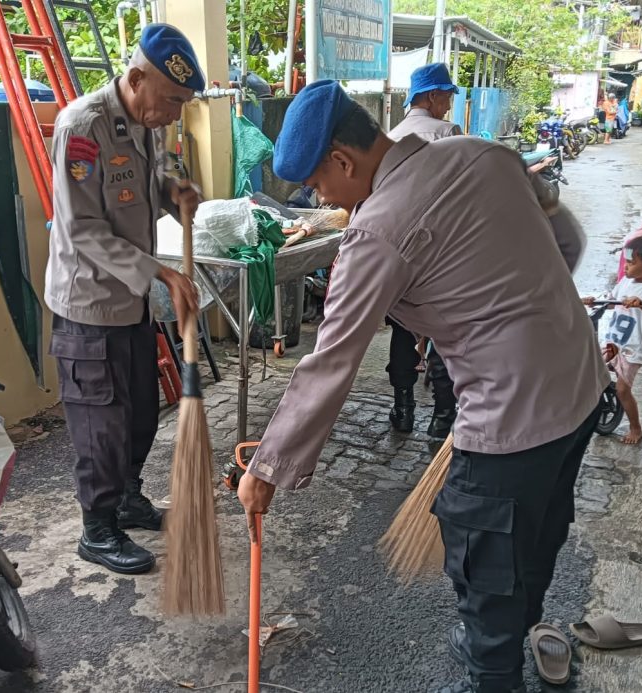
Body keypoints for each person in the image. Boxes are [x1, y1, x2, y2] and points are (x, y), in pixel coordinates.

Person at [237, 80, 607, 693]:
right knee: (538, 535)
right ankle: (510, 634)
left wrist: (267, 469)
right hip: (580, 383)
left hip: (509, 420)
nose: (321, 197)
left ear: (342, 160)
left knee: (486, 569)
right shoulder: (484, 154)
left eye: (318, 185)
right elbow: (565, 241)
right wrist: (512, 310)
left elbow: (332, 359)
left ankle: (493, 668)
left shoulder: (377, 231)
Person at [44, 23, 202, 575]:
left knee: (138, 411)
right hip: (89, 307)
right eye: (172, 100)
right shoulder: (81, 129)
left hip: (130, 303)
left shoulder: (144, 121)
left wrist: (173, 190)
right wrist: (159, 272)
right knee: (100, 423)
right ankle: (98, 527)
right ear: (136, 79)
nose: (176, 114)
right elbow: (82, 227)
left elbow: (151, 173)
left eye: (183, 103)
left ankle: (128, 496)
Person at [384, 63, 462, 438]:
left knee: (403, 328)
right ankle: (442, 417)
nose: (448, 103)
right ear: (432, 96)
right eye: (446, 96)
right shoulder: (448, 134)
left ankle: (403, 409)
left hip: (400, 253)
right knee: (445, 333)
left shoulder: (392, 135)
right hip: (443, 253)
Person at [585, 236, 642, 445]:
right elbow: (612, 302)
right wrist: (594, 300)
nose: (627, 267)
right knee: (595, 375)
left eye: (631, 263)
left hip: (634, 348)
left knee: (623, 389)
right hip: (615, 341)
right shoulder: (625, 281)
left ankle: (635, 428)